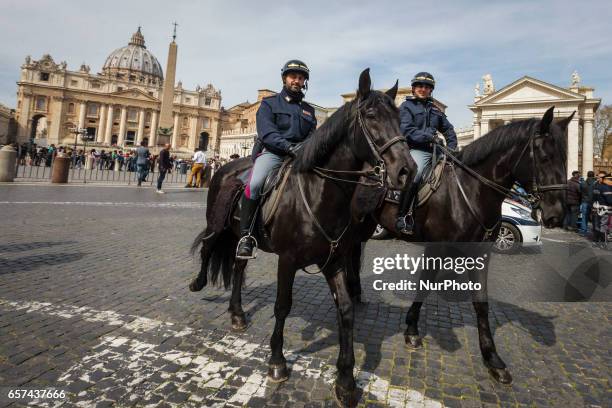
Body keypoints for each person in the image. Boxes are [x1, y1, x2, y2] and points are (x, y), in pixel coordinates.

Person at [236, 59, 317, 259]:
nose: (296, 81)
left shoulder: (309, 110)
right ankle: (246, 237)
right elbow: (267, 133)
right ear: (284, 79)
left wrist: (307, 149)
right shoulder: (269, 104)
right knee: (254, 184)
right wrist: (289, 147)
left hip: (300, 156)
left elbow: (312, 135)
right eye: (293, 77)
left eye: (300, 78)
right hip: (274, 153)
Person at [396, 72, 458, 234]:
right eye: (420, 86)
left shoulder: (435, 109)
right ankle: (402, 216)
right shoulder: (406, 107)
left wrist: (452, 148)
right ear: (414, 88)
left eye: (427, 87)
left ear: (431, 90)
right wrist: (429, 137)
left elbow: (448, 129)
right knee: (415, 175)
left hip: (437, 151)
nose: (423, 89)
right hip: (416, 149)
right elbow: (406, 130)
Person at [592, 172, 612, 246]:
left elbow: (593, 198)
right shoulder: (606, 187)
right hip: (605, 209)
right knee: (603, 225)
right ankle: (602, 242)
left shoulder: (596, 187)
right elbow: (610, 200)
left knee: (598, 225)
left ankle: (596, 240)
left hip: (597, 209)